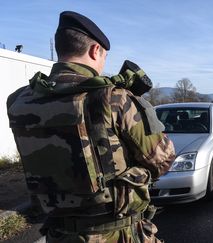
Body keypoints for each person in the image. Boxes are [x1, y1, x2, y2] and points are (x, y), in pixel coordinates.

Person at [7, 11, 175, 242]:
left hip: (58, 233)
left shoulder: (18, 101)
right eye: (104, 55)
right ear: (96, 50)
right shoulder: (115, 99)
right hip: (116, 233)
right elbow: (162, 160)